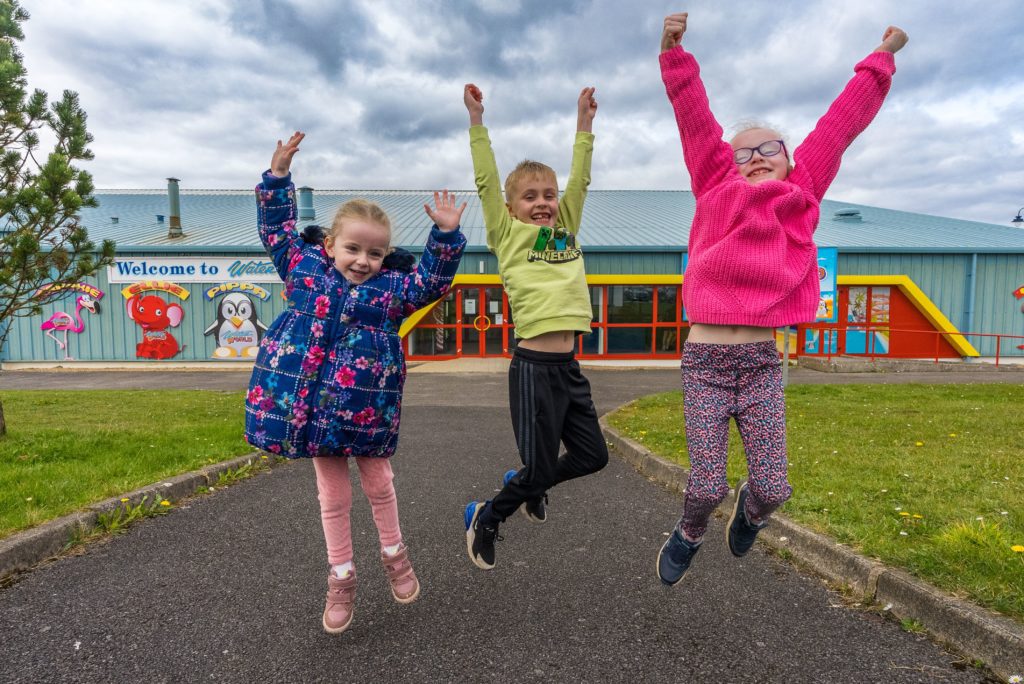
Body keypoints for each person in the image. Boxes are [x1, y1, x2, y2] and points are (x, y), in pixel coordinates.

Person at [655, 13, 908, 586]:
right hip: (707, 362)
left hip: (762, 363)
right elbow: (695, 120)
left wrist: (883, 56)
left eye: (769, 148)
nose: (756, 158)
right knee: (704, 484)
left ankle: (752, 513)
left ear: (792, 160)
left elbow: (842, 123)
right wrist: (674, 57)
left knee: (774, 486)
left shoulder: (802, 190)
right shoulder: (716, 185)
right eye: (743, 153)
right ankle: (690, 531)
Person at [245, 132, 467, 631]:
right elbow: (276, 231)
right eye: (353, 248)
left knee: (379, 483)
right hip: (311, 409)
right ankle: (341, 579)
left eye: (375, 253)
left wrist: (446, 238)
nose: (363, 261)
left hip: (367, 409)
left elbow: (432, 281)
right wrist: (277, 178)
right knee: (332, 495)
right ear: (330, 245)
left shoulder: (392, 290)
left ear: (386, 256)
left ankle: (396, 557)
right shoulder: (304, 270)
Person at [461, 84, 609, 570]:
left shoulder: (564, 227)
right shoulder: (506, 233)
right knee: (540, 466)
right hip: (532, 369)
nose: (543, 203)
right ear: (511, 209)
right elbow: (486, 181)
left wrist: (584, 126)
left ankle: (528, 482)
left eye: (548, 195)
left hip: (568, 367)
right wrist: (477, 123)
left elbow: (580, 182)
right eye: (530, 197)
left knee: (592, 456)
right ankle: (488, 514)